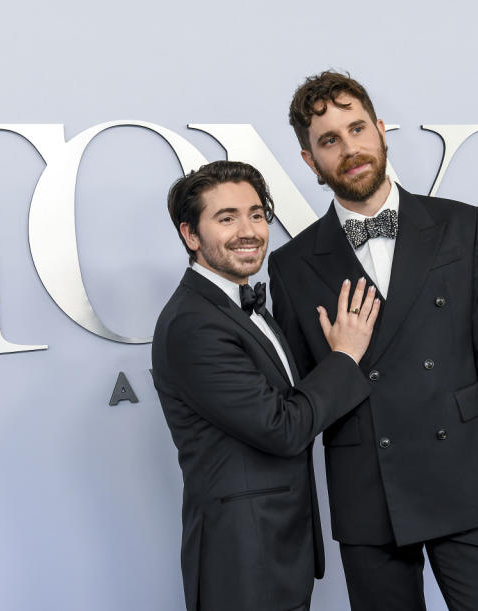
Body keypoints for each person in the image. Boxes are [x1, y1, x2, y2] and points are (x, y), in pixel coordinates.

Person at [268, 71, 478, 611]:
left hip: (467, 481)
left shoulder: (463, 227)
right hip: (369, 492)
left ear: (382, 130)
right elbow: (303, 401)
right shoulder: (291, 266)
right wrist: (343, 358)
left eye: (357, 128)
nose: (350, 149)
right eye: (329, 141)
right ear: (309, 160)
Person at [152, 160, 380, 611]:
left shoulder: (239, 307)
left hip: (273, 548)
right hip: (241, 558)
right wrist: (345, 356)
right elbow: (282, 428)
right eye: (227, 217)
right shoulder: (193, 325)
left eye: (257, 214)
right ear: (190, 235)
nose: (248, 230)